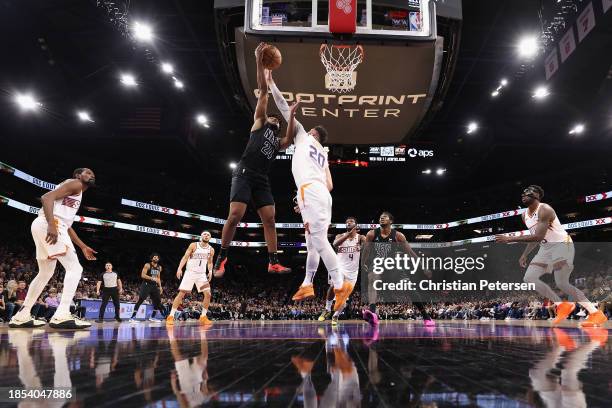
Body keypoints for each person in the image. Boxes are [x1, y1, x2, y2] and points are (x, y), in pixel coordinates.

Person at [268, 71, 352, 312]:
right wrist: (308, 199)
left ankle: (339, 283)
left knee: (318, 240)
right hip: (322, 195)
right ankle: (307, 283)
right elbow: (331, 185)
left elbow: (283, 107)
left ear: (312, 133)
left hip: (311, 192)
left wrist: (272, 81)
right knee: (312, 242)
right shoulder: (323, 155)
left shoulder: (304, 137)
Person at [212, 42, 292, 277]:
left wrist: (293, 113)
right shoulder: (260, 122)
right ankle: (222, 256)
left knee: (270, 219)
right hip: (245, 172)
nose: (277, 121)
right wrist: (260, 62)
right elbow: (264, 91)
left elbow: (291, 135)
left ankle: (273, 261)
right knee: (235, 216)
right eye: (275, 118)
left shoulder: (279, 142)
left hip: (261, 178)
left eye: (279, 120)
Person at [495, 185, 606, 327]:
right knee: (529, 277)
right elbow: (537, 237)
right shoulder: (524, 215)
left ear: (537, 195)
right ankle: (562, 305)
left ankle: (595, 313)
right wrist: (525, 254)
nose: (524, 194)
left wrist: (509, 239)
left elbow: (538, 236)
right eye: (522, 192)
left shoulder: (545, 209)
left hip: (561, 245)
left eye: (528, 192)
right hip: (546, 248)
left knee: (561, 283)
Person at [9, 168, 97, 329]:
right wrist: (51, 224)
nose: (92, 175)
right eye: (88, 173)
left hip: (45, 224)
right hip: (50, 223)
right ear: (78, 175)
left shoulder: (75, 191)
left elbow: (68, 227)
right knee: (75, 269)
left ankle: (22, 315)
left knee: (45, 273)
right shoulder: (75, 183)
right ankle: (62, 314)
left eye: (93, 174)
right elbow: (46, 197)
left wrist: (83, 246)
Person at [363, 211, 435, 327]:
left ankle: (425, 315)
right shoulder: (371, 234)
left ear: (391, 221)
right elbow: (366, 251)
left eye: (384, 217)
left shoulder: (398, 236)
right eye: (380, 217)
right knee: (372, 278)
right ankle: (372, 312)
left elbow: (411, 253)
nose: (381, 219)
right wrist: (364, 264)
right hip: (377, 264)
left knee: (409, 288)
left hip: (393, 266)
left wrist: (423, 267)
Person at [318, 216, 366, 325]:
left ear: (356, 224)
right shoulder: (340, 236)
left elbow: (368, 246)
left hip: (353, 271)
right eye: (347, 222)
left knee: (343, 296)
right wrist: (349, 234)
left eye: (351, 221)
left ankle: (335, 316)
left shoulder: (360, 238)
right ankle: (327, 308)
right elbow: (335, 244)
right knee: (333, 286)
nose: (348, 223)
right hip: (339, 267)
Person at [167, 231, 214, 325]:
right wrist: (179, 268)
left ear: (210, 238)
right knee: (181, 294)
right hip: (190, 273)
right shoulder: (194, 245)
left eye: (208, 235)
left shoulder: (211, 249)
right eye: (205, 234)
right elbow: (185, 257)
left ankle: (203, 317)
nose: (206, 236)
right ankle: (171, 316)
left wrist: (210, 271)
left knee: (208, 294)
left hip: (201, 274)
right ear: (201, 236)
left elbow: (210, 262)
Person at [130, 254, 167, 322]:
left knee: (158, 301)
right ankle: (132, 317)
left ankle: (152, 317)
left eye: (157, 258)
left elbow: (158, 278)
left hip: (154, 286)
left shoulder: (159, 267)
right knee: (141, 299)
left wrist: (160, 287)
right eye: (154, 257)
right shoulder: (147, 265)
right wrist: (151, 278)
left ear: (158, 259)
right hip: (146, 284)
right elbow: (142, 275)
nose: (156, 258)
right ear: (152, 258)